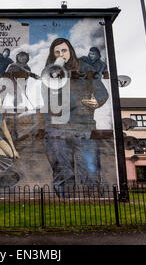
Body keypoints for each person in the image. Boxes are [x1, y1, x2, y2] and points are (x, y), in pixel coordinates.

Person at [43, 38, 109, 195]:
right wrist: (56, 70)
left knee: (90, 172)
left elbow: (101, 91)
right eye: (57, 52)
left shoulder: (85, 67)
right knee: (62, 173)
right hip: (56, 130)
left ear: (70, 51)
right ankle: (65, 209)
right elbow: (47, 97)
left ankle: (94, 207)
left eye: (64, 51)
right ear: (53, 54)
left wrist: (97, 100)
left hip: (84, 127)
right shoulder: (49, 71)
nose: (61, 54)